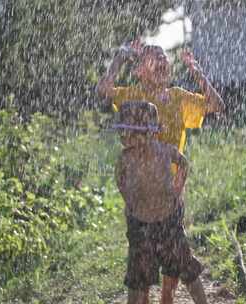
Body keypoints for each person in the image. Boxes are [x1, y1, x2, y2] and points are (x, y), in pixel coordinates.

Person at [97, 41, 224, 303]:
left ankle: (167, 296)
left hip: (170, 190)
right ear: (139, 71)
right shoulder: (131, 95)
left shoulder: (177, 97)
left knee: (173, 258)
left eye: (164, 58)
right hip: (141, 193)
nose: (162, 62)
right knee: (142, 265)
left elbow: (216, 105)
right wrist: (120, 58)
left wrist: (197, 71)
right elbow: (103, 90)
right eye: (154, 58)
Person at [114, 101, 208, 304]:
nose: (122, 137)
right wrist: (127, 196)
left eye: (127, 132)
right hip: (139, 222)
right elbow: (119, 177)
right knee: (137, 277)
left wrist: (177, 187)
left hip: (168, 220)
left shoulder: (164, 151)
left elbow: (183, 163)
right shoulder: (125, 158)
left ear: (148, 133)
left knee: (185, 267)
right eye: (120, 132)